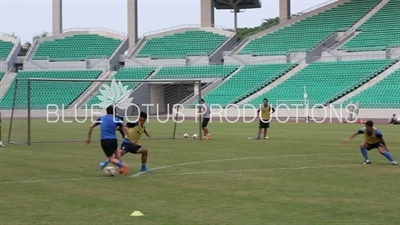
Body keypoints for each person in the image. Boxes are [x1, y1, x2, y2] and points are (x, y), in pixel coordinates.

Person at [86, 105, 132, 175]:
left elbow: (90, 126)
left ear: (107, 112)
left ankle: (123, 165)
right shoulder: (116, 119)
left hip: (105, 140)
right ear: (114, 112)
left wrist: (89, 138)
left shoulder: (102, 118)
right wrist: (130, 140)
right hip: (114, 140)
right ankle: (121, 167)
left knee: (111, 158)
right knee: (116, 152)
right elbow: (126, 130)